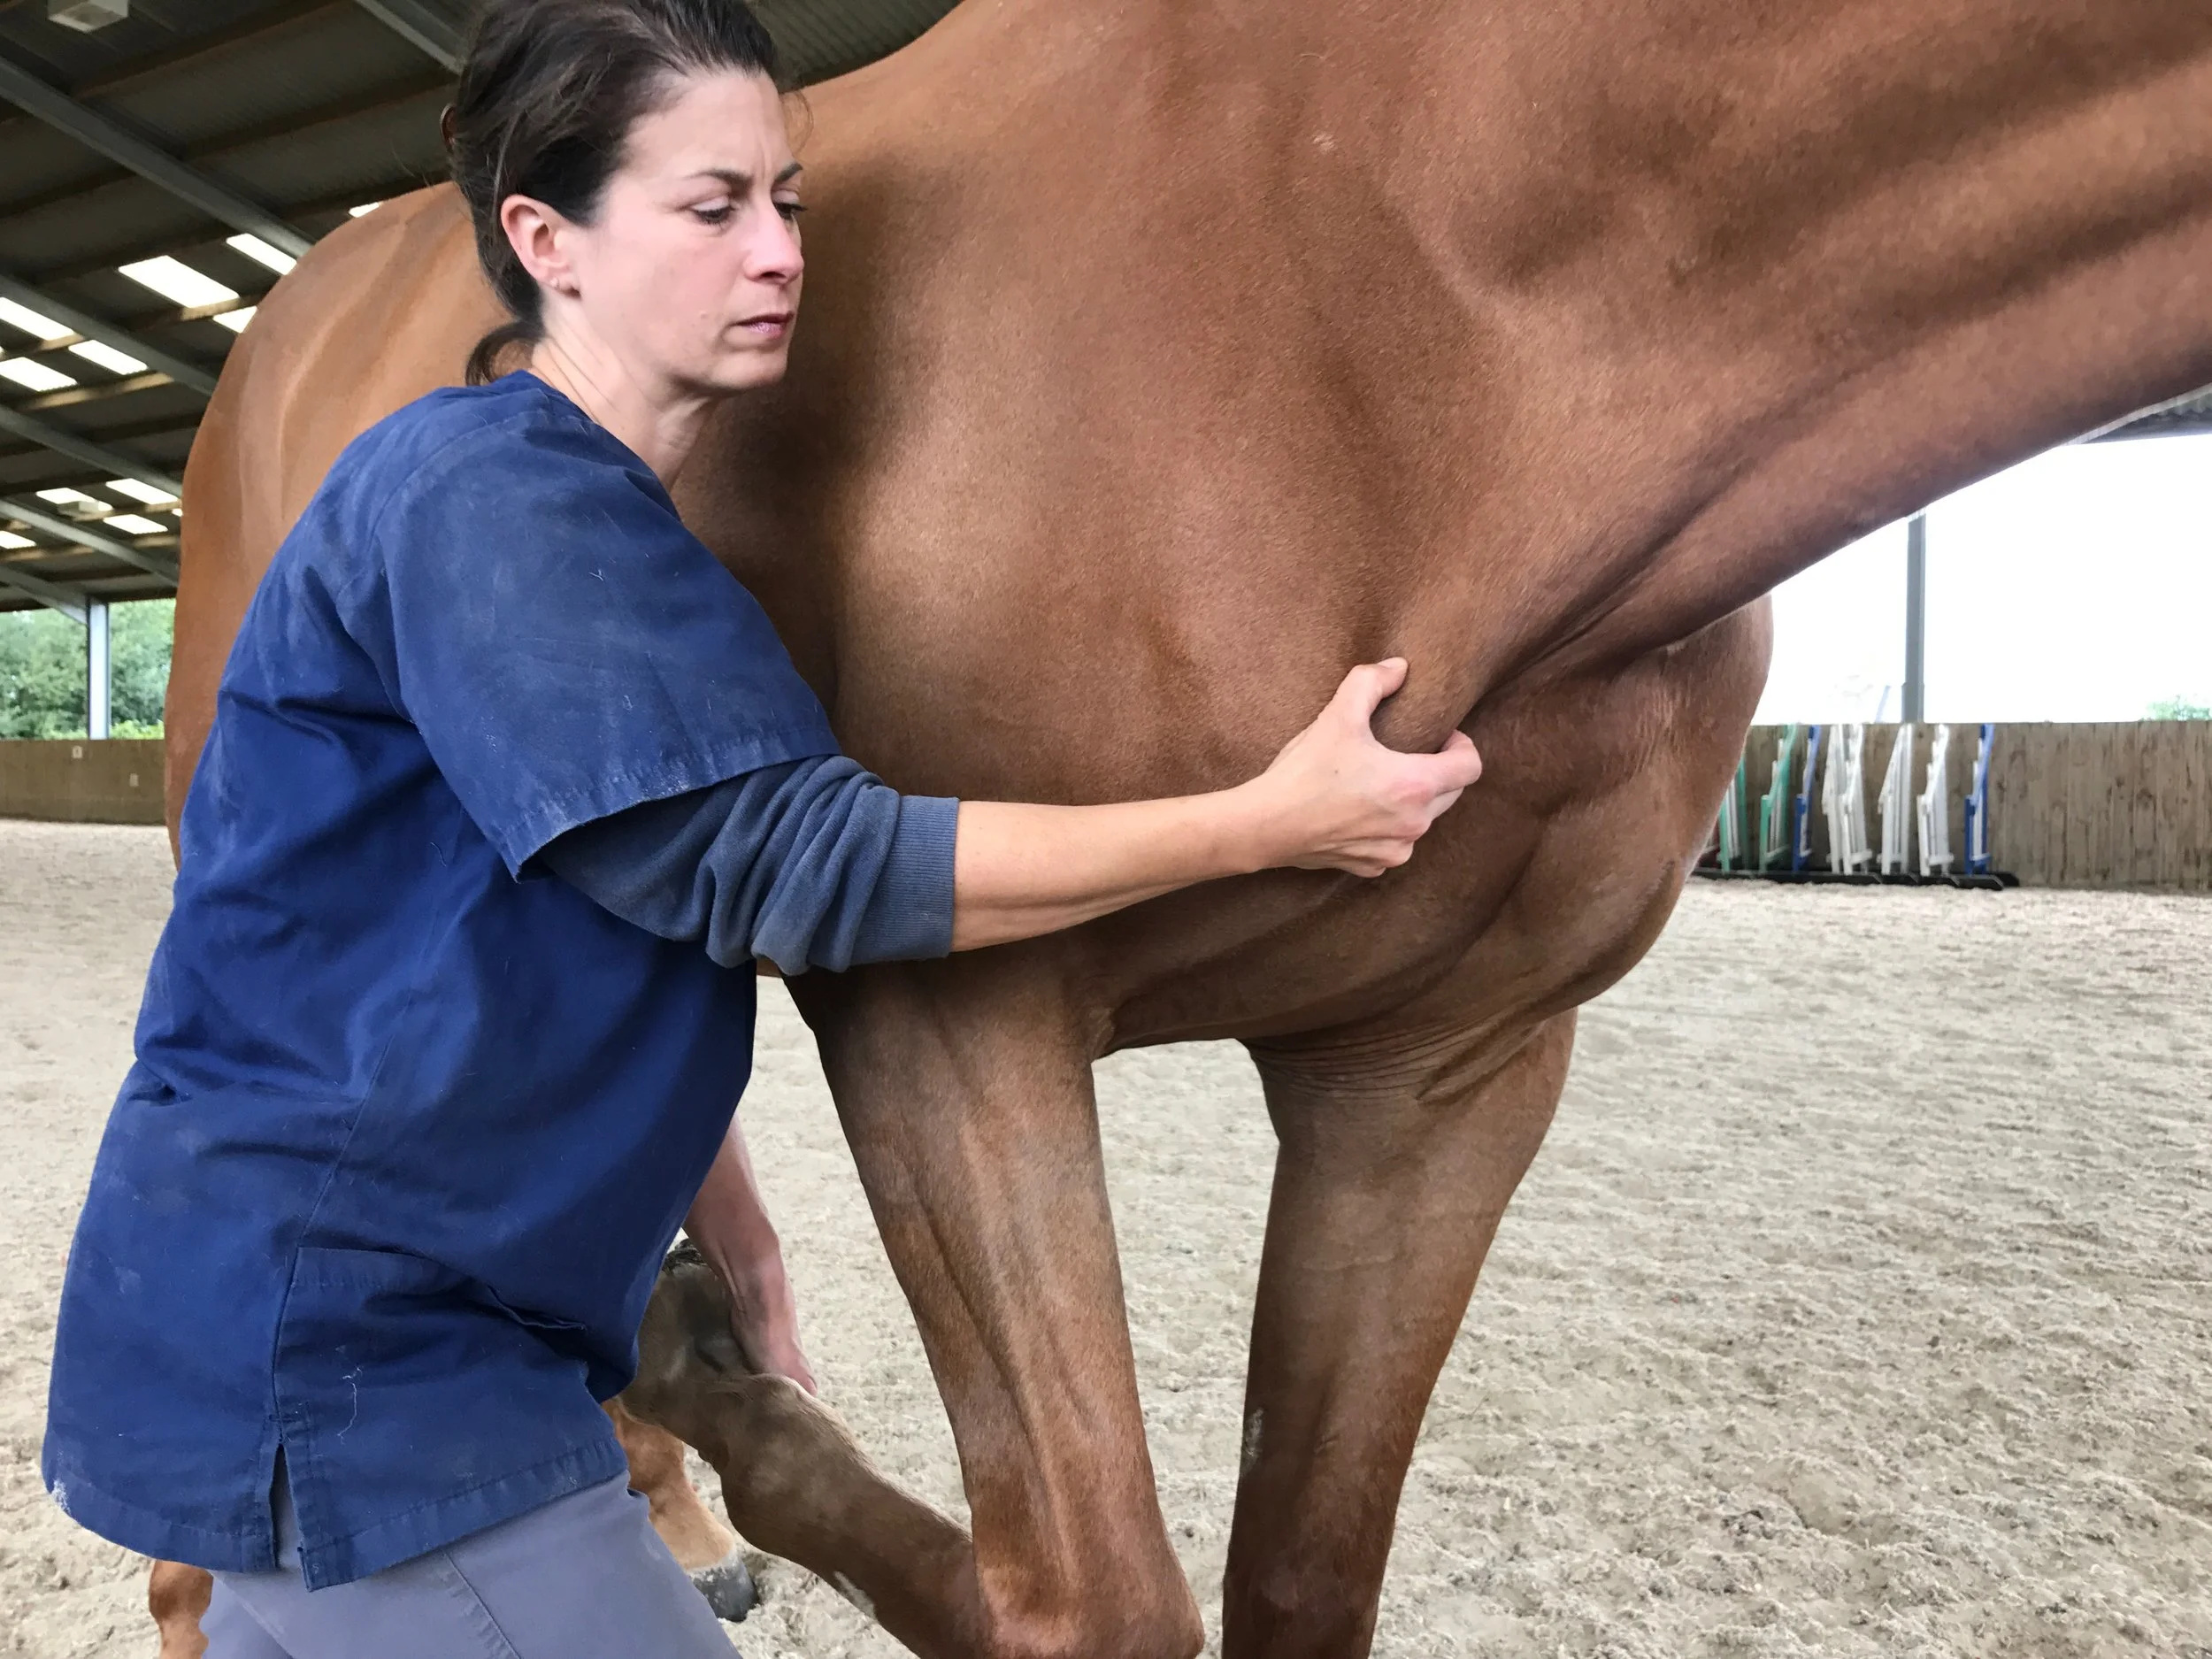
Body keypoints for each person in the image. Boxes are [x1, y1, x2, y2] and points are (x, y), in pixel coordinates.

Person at [41, 2, 1484, 1655]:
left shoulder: (593, 525)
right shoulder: (490, 500)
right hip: (357, 1372)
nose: (778, 249)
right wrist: (1265, 820)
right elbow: (805, 865)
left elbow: (598, 904)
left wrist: (730, 1218)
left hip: (410, 1350)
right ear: (546, 238)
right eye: (710, 206)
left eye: (787, 201)